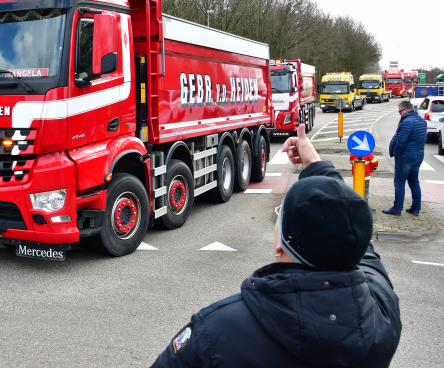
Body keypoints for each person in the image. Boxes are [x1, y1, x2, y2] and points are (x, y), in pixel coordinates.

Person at [150, 124, 401, 368]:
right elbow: (350, 230)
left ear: (280, 245)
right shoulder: (382, 315)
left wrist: (316, 167)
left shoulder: (215, 332)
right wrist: (317, 167)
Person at [384, 99, 426, 216]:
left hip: (406, 156)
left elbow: (401, 141)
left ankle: (397, 208)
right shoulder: (421, 121)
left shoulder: (407, 122)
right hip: (418, 155)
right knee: (414, 182)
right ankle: (416, 208)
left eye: (400, 111)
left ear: (406, 110)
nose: (400, 114)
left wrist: (396, 153)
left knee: (399, 182)